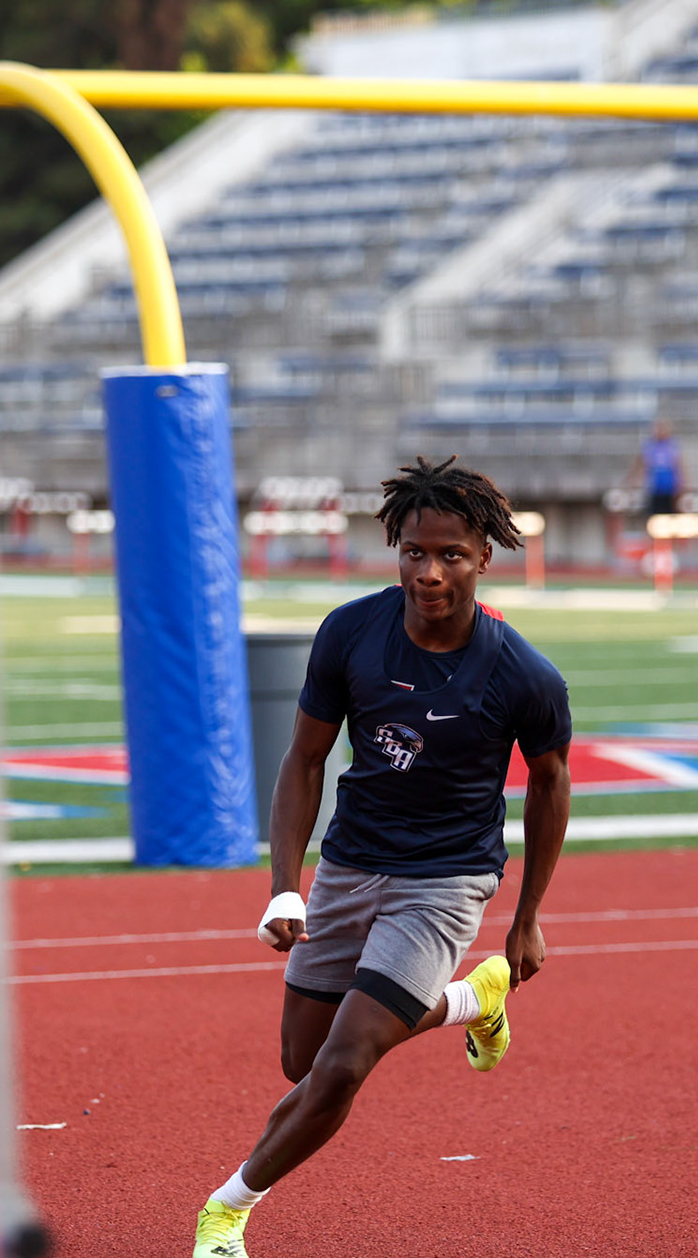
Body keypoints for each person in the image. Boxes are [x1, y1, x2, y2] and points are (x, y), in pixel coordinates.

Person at [193, 456, 573, 1258]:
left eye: (451, 555)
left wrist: (528, 919)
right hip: (353, 861)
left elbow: (548, 784)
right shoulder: (350, 633)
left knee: (342, 1065)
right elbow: (302, 762)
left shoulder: (523, 674)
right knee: (303, 1059)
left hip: (447, 878)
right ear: (395, 549)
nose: (429, 572)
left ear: (484, 559)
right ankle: (473, 1003)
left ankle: (226, 1211)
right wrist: (282, 888)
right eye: (413, 552)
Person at [630, 420, 684, 517]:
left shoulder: (672, 446)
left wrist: (681, 483)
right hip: (654, 488)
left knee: (670, 515)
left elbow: (679, 466)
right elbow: (641, 465)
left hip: (669, 488)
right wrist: (634, 480)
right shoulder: (649, 446)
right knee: (653, 515)